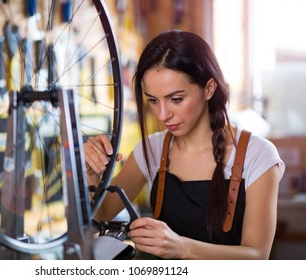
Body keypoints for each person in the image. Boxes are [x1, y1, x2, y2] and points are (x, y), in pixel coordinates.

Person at [84, 30, 285, 259]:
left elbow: (258, 256)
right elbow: (100, 215)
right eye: (153, 101)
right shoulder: (151, 149)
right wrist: (92, 174)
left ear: (209, 89)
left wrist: (181, 247)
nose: (162, 115)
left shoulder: (257, 155)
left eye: (176, 99)